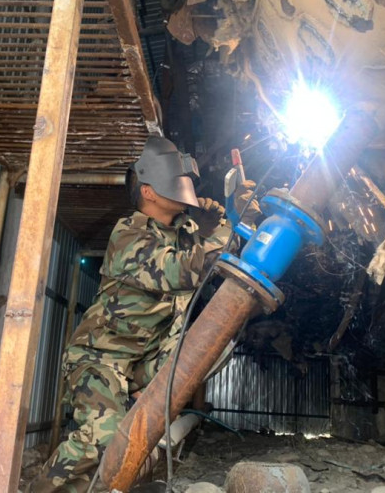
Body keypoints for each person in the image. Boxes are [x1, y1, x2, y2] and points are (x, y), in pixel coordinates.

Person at [31, 136, 253, 493]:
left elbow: (217, 260)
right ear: (148, 192)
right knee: (104, 438)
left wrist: (217, 224)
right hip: (101, 358)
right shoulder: (129, 235)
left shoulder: (185, 232)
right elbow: (185, 271)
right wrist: (229, 227)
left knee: (212, 350)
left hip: (146, 362)